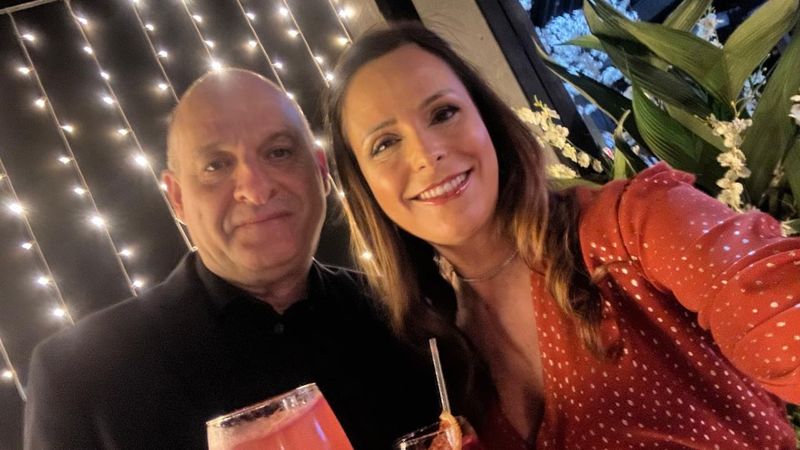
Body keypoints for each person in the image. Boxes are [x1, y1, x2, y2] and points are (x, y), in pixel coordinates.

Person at [325, 22, 800, 449]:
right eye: (385, 143)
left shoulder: (633, 225)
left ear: (486, 121)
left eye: (443, 113)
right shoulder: (437, 357)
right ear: (364, 187)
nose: (426, 154)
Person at [24, 69, 438, 449]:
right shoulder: (79, 379)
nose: (255, 189)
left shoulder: (406, 316)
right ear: (178, 199)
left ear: (320, 170)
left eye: (278, 152)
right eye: (216, 165)